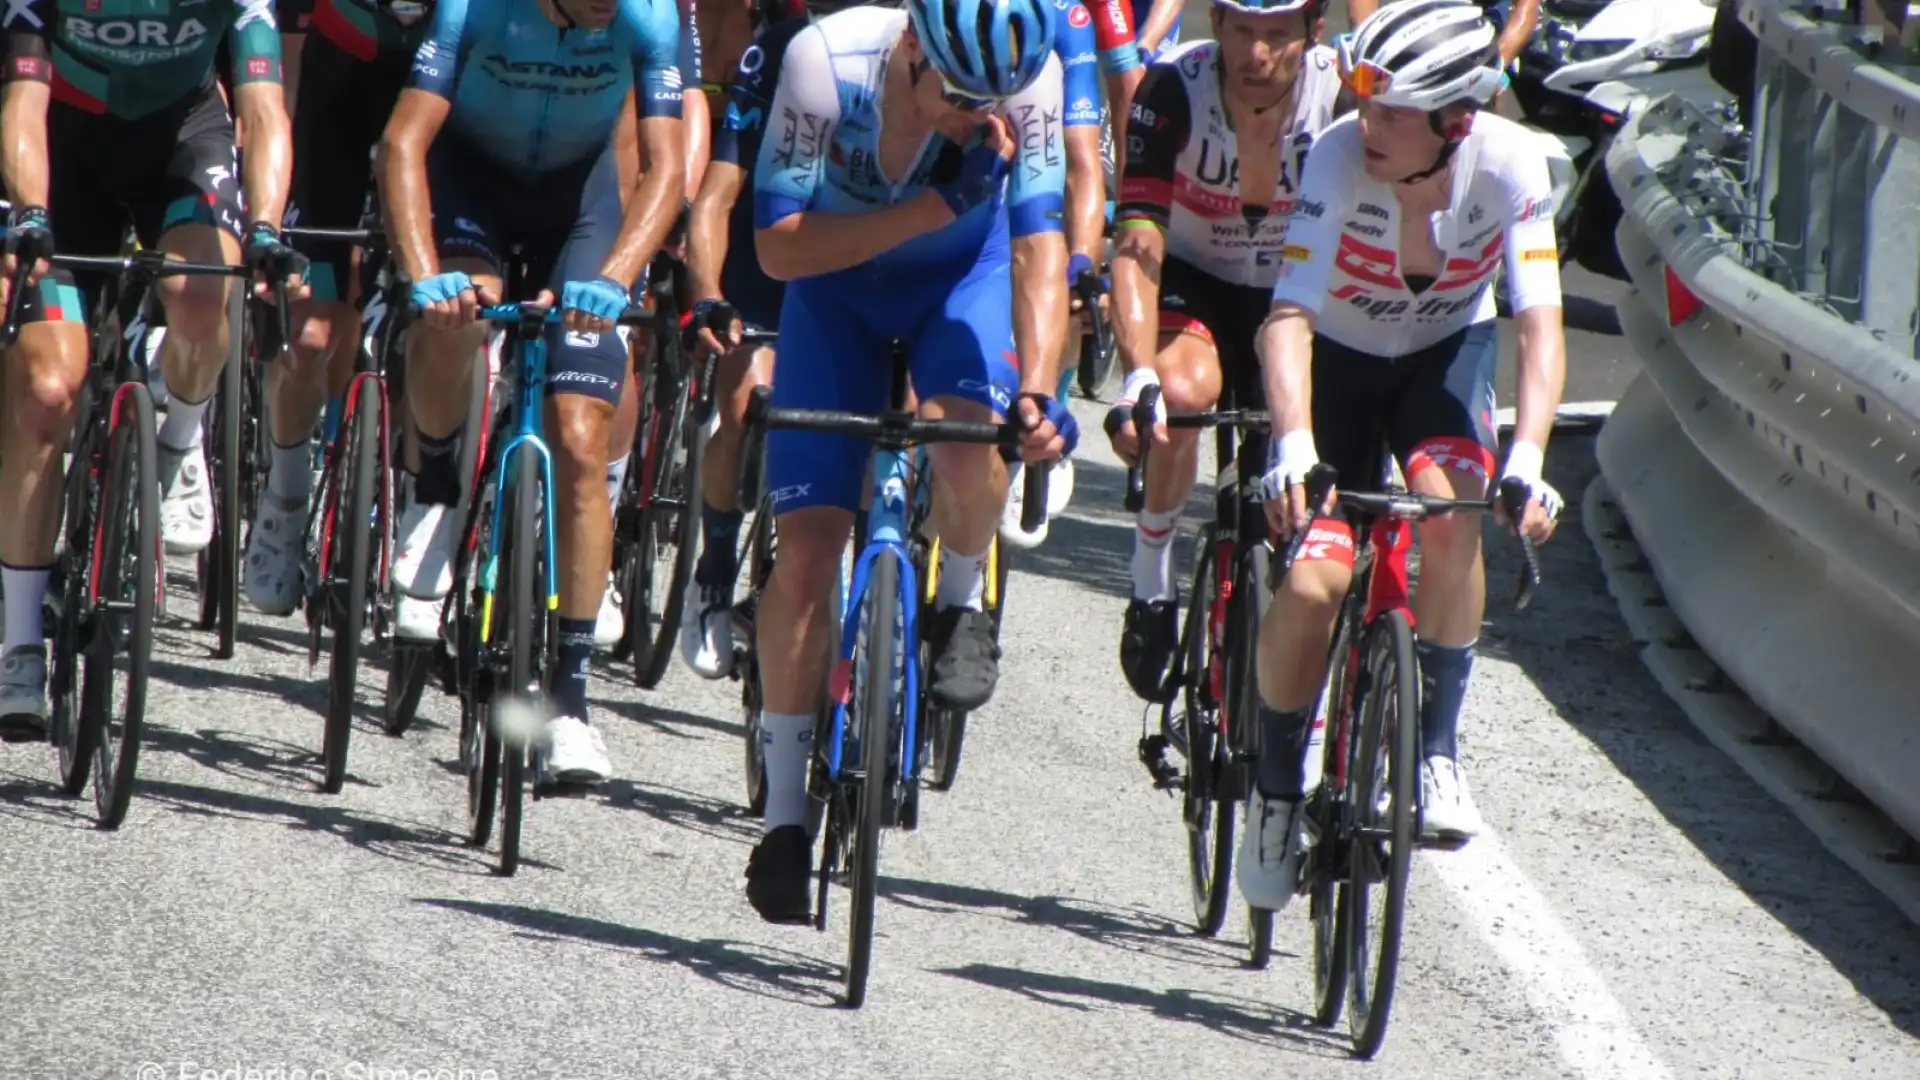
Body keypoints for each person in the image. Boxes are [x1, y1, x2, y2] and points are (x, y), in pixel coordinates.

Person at [739, 0, 1077, 922]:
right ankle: (781, 817)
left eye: (994, 100)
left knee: (973, 450)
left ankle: (959, 600)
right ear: (914, 50)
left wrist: (1042, 393)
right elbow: (775, 246)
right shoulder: (826, 61)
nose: (983, 119)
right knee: (808, 548)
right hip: (831, 294)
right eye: (965, 99)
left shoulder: (1032, 78)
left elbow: (1043, 241)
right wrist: (930, 206)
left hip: (959, 284)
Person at [1241, 0, 1565, 910]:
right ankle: (1273, 787)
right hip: (1335, 367)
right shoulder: (1342, 154)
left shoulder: (1509, 162)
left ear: (1456, 119)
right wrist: (1296, 445)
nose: (1367, 122)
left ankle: (1435, 756)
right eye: (1365, 101)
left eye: (1393, 110)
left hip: (1441, 360)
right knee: (1312, 582)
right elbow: (1289, 318)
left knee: (1456, 512)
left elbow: (1541, 327)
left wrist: (1531, 455)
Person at [377, 0, 686, 785]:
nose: (603, 8)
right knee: (458, 320)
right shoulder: (471, 8)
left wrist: (616, 280)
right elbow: (404, 142)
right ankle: (436, 498)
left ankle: (573, 703)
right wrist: (421, 277)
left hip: (578, 207)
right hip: (470, 183)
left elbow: (667, 167)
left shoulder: (645, 20)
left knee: (582, 441)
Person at [0, 0, 304, 734]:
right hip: (61, 150)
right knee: (46, 389)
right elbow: (21, 101)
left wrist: (265, 227)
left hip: (181, 137)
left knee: (206, 296)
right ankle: (18, 642)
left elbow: (264, 110)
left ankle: (181, 438)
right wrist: (31, 213)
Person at [1103, 0, 1345, 707]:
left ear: (1315, 33)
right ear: (1215, 24)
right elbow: (1138, 237)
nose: (1257, 54)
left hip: (1297, 292)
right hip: (1194, 280)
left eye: (1278, 36)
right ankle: (1151, 574)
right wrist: (1138, 371)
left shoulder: (1344, 93)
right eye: (1241, 31)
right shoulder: (1174, 87)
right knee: (1179, 397)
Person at [241, 0, 434, 619]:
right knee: (313, 333)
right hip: (339, 87)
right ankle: (285, 498)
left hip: (443, 91)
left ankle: (408, 502)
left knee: (430, 323)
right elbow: (284, 78)